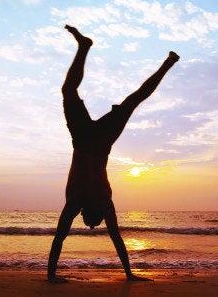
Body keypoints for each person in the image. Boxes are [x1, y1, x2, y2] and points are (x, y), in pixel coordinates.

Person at [47, 25, 179, 283]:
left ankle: (167, 64)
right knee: (70, 92)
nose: (82, 218)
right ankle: (84, 47)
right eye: (86, 219)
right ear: (86, 212)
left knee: (135, 100)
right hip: (84, 139)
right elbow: (61, 236)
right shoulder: (78, 200)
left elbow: (115, 238)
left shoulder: (102, 201)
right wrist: (51, 275)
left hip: (99, 141)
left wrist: (130, 274)